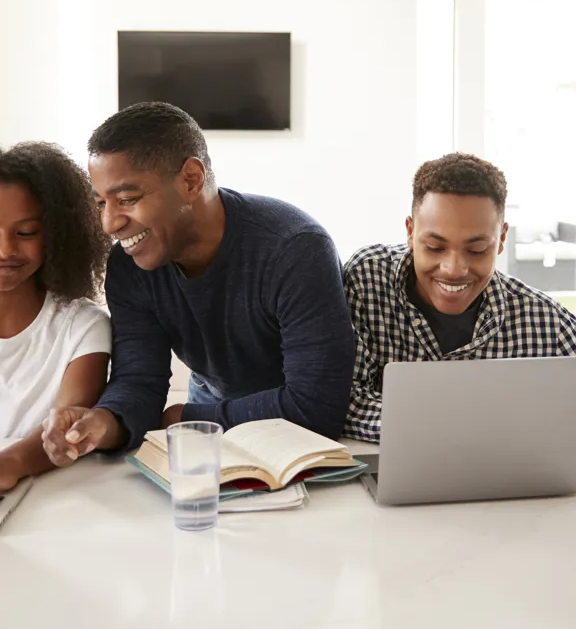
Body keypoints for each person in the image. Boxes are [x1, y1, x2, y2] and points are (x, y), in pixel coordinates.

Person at [42, 102, 355, 465]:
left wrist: (185, 419)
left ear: (191, 179)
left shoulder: (294, 249)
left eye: (127, 199)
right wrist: (105, 420)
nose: (110, 224)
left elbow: (316, 406)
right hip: (211, 425)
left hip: (295, 442)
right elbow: (139, 381)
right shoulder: (130, 268)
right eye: (101, 203)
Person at [343, 152, 576, 443]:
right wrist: (456, 430)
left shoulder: (547, 323)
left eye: (476, 250)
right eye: (434, 246)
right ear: (410, 231)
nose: (454, 269)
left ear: (501, 239)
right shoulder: (367, 281)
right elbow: (343, 399)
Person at [0, 143, 112, 491]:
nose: (5, 250)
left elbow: (66, 424)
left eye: (25, 233)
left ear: (55, 234)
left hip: (44, 502)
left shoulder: (82, 327)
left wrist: (12, 463)